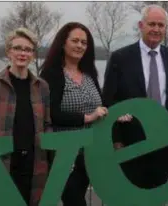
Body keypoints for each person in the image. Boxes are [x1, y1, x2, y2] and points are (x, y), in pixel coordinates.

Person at [102, 4, 168, 189]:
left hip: (164, 146)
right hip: (129, 146)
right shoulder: (120, 58)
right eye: (152, 24)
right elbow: (108, 100)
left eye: (161, 25)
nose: (156, 29)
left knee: (156, 199)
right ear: (141, 25)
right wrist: (116, 140)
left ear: (166, 28)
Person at [0, 28, 52, 205]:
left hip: (33, 165)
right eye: (18, 48)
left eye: (28, 49)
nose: (22, 53)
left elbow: (47, 125)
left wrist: (55, 158)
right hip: (2, 163)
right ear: (9, 51)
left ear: (32, 54)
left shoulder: (42, 87)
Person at [39, 22, 108, 206]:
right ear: (63, 43)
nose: (79, 46)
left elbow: (99, 105)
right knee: (73, 200)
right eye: (75, 41)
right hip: (63, 153)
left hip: (89, 153)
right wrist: (87, 117)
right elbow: (50, 114)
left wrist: (113, 114)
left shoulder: (89, 73)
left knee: (77, 196)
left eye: (84, 43)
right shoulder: (51, 74)